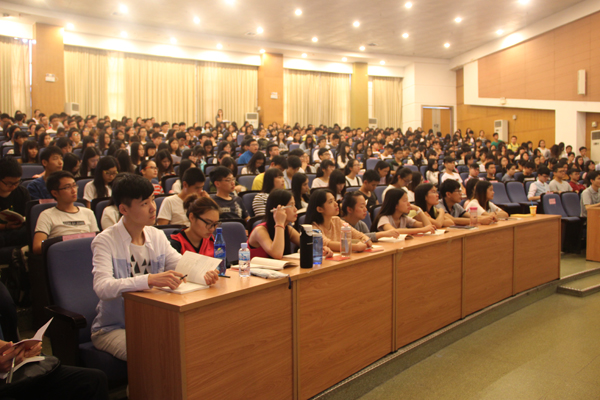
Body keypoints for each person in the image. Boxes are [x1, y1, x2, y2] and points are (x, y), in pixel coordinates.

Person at [90, 173, 219, 361]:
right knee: (156, 352)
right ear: (124, 209)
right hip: (114, 328)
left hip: (152, 321)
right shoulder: (105, 241)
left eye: (152, 199)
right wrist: (149, 280)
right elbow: (102, 287)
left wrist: (204, 272)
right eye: (144, 204)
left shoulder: (155, 235)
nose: (153, 207)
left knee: (197, 340)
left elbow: (182, 265)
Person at [247, 189, 333, 259]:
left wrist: (321, 249)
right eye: (291, 205)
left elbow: (308, 244)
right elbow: (277, 254)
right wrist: (279, 222)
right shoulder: (260, 231)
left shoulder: (288, 229)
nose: (295, 209)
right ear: (279, 209)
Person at [32, 171, 99, 254]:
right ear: (55, 193)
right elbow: (37, 247)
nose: (74, 190)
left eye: (74, 185)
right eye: (67, 187)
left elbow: (97, 240)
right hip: (62, 254)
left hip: (86, 253)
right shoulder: (46, 215)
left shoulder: (88, 213)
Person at [305, 189, 372, 252]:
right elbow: (327, 244)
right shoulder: (313, 228)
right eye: (330, 202)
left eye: (335, 200)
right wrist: (355, 247)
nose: (336, 204)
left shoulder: (336, 220)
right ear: (320, 209)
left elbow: (358, 235)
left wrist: (365, 239)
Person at [371, 188, 436, 234]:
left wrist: (418, 210)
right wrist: (422, 230)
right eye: (405, 201)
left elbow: (427, 226)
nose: (408, 204)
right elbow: (394, 231)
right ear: (395, 205)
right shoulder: (384, 218)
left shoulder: (403, 218)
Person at [0, 157, 30, 249]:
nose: (13, 186)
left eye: (16, 183)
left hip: (17, 232)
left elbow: (27, 217)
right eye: (9, 183)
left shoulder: (22, 192)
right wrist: (5, 226)